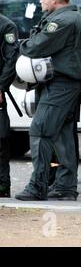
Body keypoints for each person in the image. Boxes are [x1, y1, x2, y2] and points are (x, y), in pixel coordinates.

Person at [15, 0, 81, 201]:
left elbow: (36, 45)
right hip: (61, 84)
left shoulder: (63, 20)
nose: (40, 1)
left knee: (40, 131)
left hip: (60, 85)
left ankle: (37, 186)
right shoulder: (68, 16)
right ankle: (65, 187)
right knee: (62, 134)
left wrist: (22, 45)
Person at [0, 13, 19, 198]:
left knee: (0, 139)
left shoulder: (6, 26)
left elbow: (11, 59)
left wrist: (1, 86)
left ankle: (2, 186)